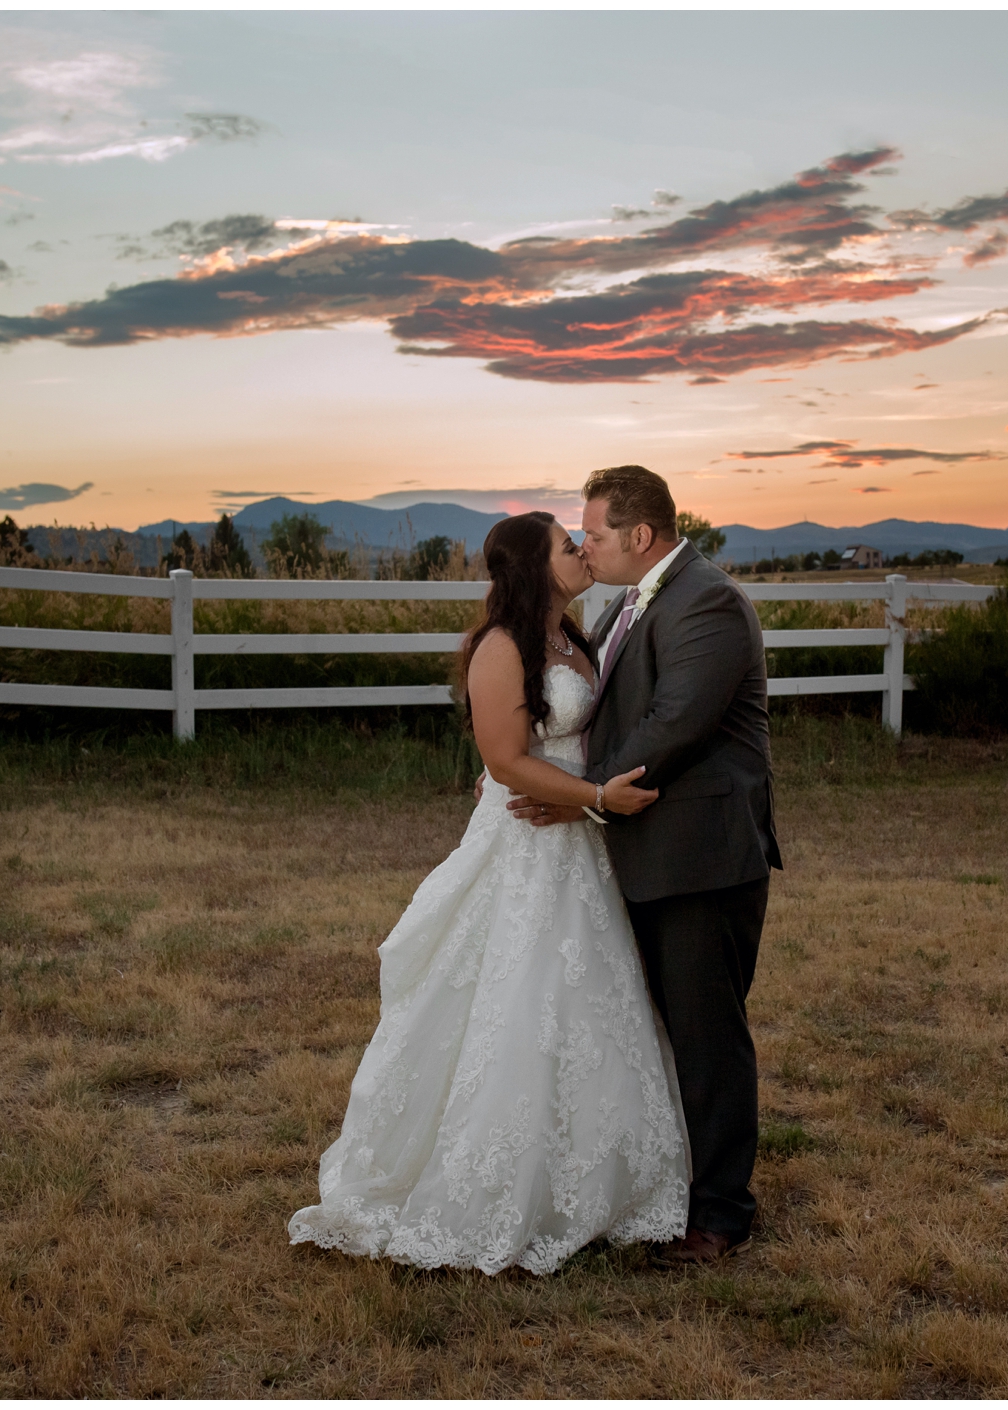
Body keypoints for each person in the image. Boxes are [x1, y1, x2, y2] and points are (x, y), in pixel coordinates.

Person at [287, 511, 689, 1276]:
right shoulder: (500, 646)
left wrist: (585, 796)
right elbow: (505, 761)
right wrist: (594, 796)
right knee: (521, 994)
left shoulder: (573, 636)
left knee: (591, 998)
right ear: (534, 567)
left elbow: (564, 733)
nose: (581, 551)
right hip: (530, 841)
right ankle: (497, 1182)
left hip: (578, 844)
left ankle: (599, 1175)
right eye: (567, 546)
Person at [506, 464, 781, 1266]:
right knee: (661, 1029)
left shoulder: (706, 602)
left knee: (706, 1035)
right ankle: (673, 1188)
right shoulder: (631, 602)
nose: (584, 546)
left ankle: (722, 1217)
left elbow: (673, 725)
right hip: (649, 849)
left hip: (701, 855)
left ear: (641, 535)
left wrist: (585, 794)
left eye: (593, 533)